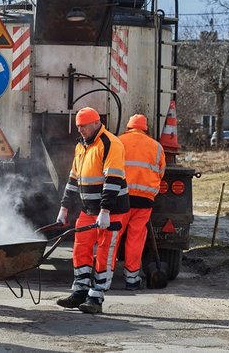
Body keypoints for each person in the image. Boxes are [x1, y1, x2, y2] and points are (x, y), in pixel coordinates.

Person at [55, 107, 130, 314]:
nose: (80, 130)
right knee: (81, 247)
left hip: (111, 210)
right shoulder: (81, 147)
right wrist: (64, 207)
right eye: (78, 126)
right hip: (89, 209)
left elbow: (113, 180)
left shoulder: (110, 143)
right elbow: (72, 180)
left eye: (84, 126)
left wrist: (105, 210)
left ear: (96, 123)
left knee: (105, 252)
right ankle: (79, 292)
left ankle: (96, 298)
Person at [117, 114, 166, 290]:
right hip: (144, 201)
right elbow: (161, 173)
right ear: (145, 129)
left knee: (112, 237)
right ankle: (131, 279)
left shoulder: (118, 142)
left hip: (120, 198)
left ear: (128, 127)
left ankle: (103, 276)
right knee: (135, 239)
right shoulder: (157, 147)